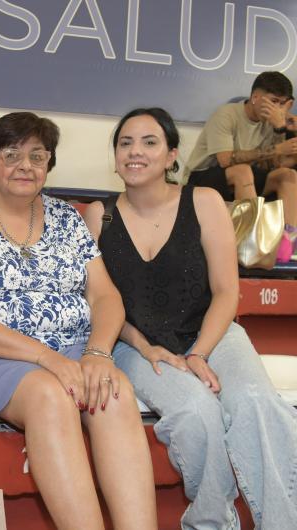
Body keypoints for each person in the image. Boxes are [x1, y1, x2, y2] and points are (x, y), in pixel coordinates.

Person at [0, 112, 157, 530]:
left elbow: (105, 296)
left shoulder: (68, 219)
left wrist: (99, 353)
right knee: (50, 396)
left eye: (37, 156)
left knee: (114, 390)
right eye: (11, 154)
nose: (25, 166)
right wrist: (48, 359)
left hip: (69, 345)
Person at [85, 107, 297, 529]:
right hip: (135, 345)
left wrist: (200, 352)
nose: (135, 152)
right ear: (114, 157)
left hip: (212, 333)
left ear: (171, 156)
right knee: (196, 412)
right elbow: (98, 301)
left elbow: (226, 292)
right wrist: (146, 348)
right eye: (125, 143)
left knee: (255, 401)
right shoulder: (98, 214)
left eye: (149, 142)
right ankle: (211, 522)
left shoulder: (203, 200)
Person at [184, 71, 297, 261]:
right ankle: (253, 240)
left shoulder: (275, 122)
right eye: (273, 101)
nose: (278, 109)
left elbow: (276, 164)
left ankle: (288, 240)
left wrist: (286, 130)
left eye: (282, 103)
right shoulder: (226, 114)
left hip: (247, 178)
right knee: (242, 171)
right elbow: (225, 160)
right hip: (202, 179)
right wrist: (277, 148)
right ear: (255, 98)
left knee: (287, 175)